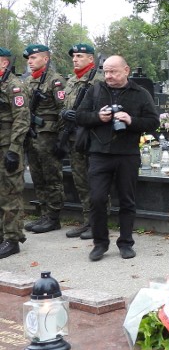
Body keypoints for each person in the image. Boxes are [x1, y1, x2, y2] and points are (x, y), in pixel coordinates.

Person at [76, 55, 159, 261]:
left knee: (127, 200)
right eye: (106, 72)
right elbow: (79, 116)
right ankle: (100, 243)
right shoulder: (95, 90)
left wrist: (131, 120)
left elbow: (153, 122)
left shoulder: (140, 93)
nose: (109, 76)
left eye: (113, 71)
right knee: (96, 199)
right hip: (99, 154)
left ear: (126, 70)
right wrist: (98, 117)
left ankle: (125, 242)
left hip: (127, 154)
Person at [60, 43, 104, 239]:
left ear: (91, 59)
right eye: (74, 56)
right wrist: (64, 113)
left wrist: (79, 116)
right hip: (73, 137)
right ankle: (87, 220)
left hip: (92, 137)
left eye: (79, 56)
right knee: (80, 181)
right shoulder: (71, 81)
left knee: (96, 181)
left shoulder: (99, 81)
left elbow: (103, 110)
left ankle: (99, 222)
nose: (75, 59)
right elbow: (63, 104)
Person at [22, 44, 66, 234]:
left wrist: (61, 139)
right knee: (37, 176)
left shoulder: (55, 81)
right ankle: (44, 214)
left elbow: (63, 111)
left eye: (34, 58)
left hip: (48, 136)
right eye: (29, 59)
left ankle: (54, 217)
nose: (30, 62)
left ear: (45, 59)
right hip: (32, 135)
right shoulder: (28, 81)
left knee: (51, 176)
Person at [0, 48, 29, 259]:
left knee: (10, 193)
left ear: (3, 63)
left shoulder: (14, 86)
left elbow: (22, 119)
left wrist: (14, 150)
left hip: (8, 147)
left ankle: (12, 238)